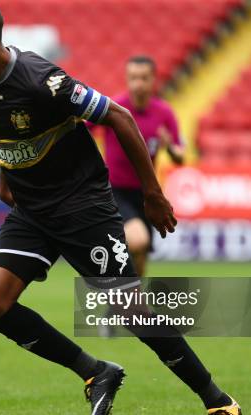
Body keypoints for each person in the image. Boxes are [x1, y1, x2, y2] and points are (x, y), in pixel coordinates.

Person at [0, 0, 241, 415]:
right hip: (32, 210)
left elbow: (119, 118)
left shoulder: (44, 80)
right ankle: (95, 372)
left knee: (130, 310)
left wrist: (153, 193)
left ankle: (219, 402)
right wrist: (6, 175)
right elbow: (7, 130)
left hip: (82, 207)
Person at [100, 55, 184, 276]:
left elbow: (180, 156)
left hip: (147, 194)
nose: (138, 83)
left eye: (144, 78)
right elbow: (81, 128)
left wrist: (170, 148)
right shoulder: (113, 108)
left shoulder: (164, 113)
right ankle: (126, 301)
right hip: (115, 191)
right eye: (133, 78)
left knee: (141, 252)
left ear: (153, 80)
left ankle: (132, 305)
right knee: (137, 241)